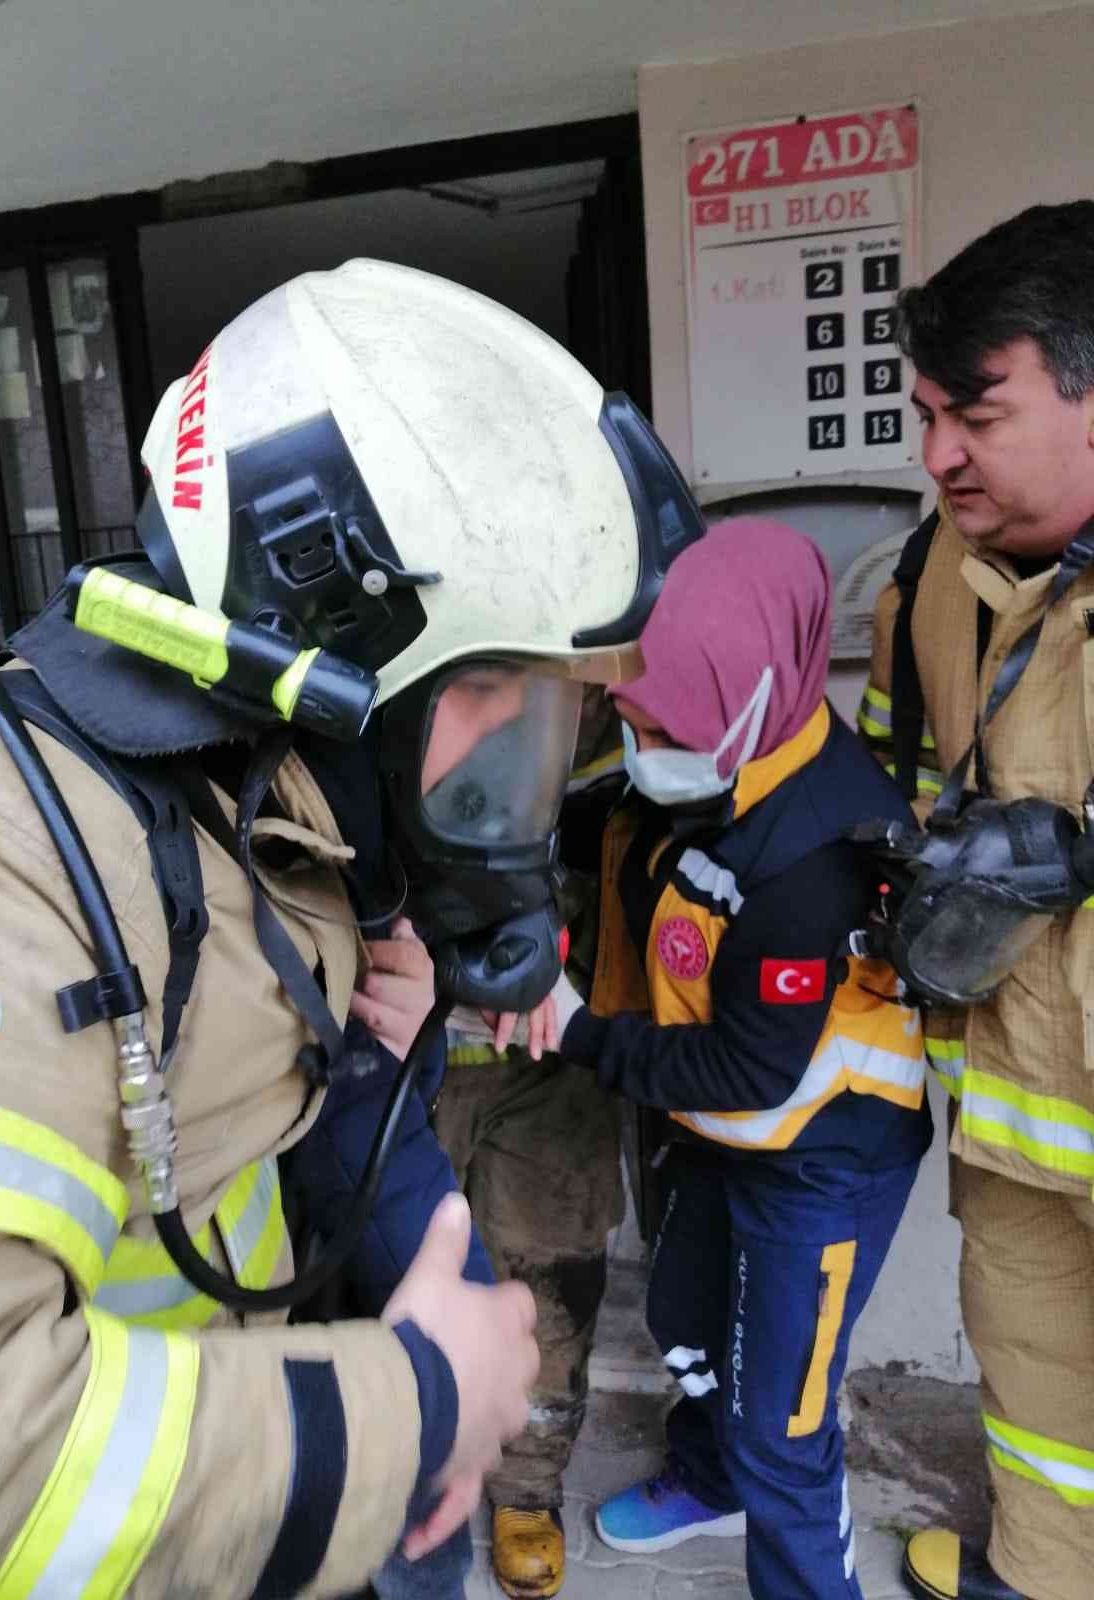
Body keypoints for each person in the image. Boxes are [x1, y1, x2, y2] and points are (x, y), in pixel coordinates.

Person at [0, 259, 706, 1598]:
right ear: (329, 625)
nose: (525, 756)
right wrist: (418, 1407)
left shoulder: (256, 825)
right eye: (499, 686)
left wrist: (377, 1038)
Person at [545, 518, 933, 1600]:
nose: (630, 727)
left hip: (819, 1163)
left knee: (786, 1429)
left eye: (648, 715)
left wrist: (571, 1027)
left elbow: (746, 1072)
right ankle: (713, 1475)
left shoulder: (816, 861)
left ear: (741, 697)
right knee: (689, 1320)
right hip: (723, 1141)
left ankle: (792, 1549)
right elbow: (616, 838)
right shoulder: (717, 758)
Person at [856, 202, 1094, 1600]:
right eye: (926, 412)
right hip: (1012, 1133)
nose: (938, 452)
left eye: (978, 414)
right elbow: (900, 786)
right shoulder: (926, 576)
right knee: (1043, 1423)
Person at [433, 688, 628, 1599]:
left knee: (548, 1274)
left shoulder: (587, 697)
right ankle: (415, 1467)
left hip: (554, 1054)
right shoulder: (392, 678)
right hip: (409, 1048)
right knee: (393, 1268)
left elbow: (619, 850)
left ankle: (526, 1488)